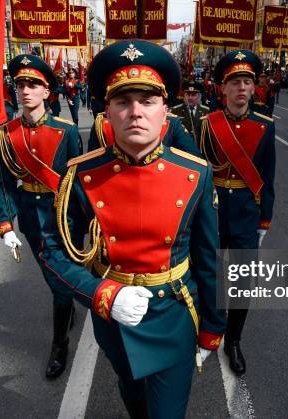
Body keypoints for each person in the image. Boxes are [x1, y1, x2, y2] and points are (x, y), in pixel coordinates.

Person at [42, 40, 225, 418]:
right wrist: (102, 294)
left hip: (174, 312)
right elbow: (53, 252)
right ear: (107, 110)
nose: (135, 112)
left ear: (165, 111)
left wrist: (212, 326)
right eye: (123, 101)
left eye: (148, 100)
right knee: (131, 392)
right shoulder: (81, 174)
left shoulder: (195, 173)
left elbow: (208, 259)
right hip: (113, 316)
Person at [0, 54, 82, 379]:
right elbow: (5, 183)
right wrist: (5, 223)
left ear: (47, 92)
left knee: (60, 282)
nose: (26, 90)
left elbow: (80, 182)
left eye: (33, 84)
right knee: (52, 277)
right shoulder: (7, 133)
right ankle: (65, 303)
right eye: (20, 85)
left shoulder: (67, 130)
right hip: (31, 218)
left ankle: (59, 345)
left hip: (63, 219)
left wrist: (89, 222)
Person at [199, 49, 276, 376]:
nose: (242, 87)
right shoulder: (207, 124)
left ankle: (233, 341)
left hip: (245, 213)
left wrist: (264, 219)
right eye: (235, 82)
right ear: (223, 89)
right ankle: (209, 334)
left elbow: (268, 176)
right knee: (210, 277)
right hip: (213, 212)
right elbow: (199, 172)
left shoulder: (265, 126)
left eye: (248, 81)